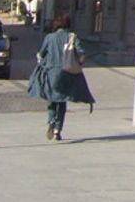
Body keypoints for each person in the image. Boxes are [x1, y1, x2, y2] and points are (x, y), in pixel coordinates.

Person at [28, 12, 94, 140]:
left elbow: (41, 53)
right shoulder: (72, 37)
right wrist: (80, 62)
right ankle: (58, 130)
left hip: (51, 73)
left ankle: (51, 121)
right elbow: (81, 53)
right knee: (62, 102)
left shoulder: (49, 38)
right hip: (67, 73)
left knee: (52, 100)